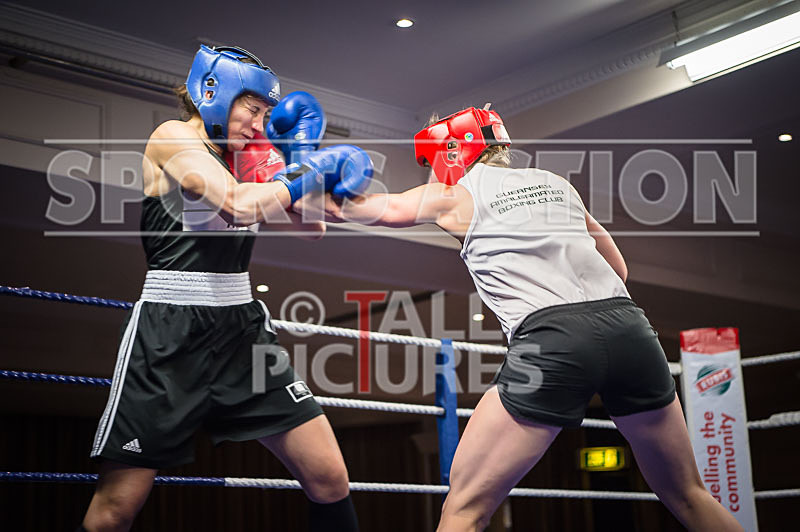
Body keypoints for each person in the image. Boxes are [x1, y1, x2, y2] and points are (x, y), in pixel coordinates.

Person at [310, 105, 744, 531]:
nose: (430, 174)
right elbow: (620, 271)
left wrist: (301, 182)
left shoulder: (453, 194)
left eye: (430, 163)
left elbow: (372, 210)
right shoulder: (555, 182)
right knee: (688, 494)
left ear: (451, 153)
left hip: (554, 338)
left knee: (464, 507)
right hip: (630, 329)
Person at [77, 45, 370, 532]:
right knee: (115, 508)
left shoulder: (248, 157)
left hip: (243, 332)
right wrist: (304, 172)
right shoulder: (173, 138)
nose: (259, 124)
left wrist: (297, 160)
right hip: (170, 331)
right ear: (215, 93)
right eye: (253, 110)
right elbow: (236, 205)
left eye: (266, 115)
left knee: (330, 478)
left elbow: (313, 229)